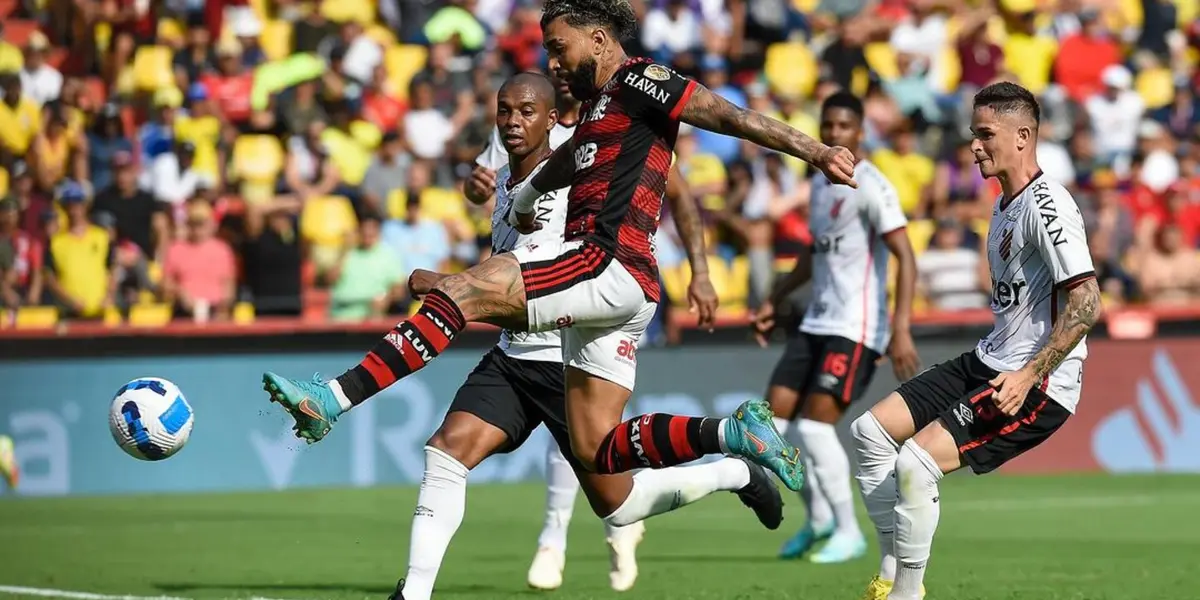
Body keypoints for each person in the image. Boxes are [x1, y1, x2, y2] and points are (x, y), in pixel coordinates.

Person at [262, 0, 855, 526]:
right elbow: (572, 158)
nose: (552, 62)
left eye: (558, 47)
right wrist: (524, 196)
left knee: (464, 292)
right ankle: (731, 433)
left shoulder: (641, 80)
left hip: (606, 260)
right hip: (623, 289)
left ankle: (332, 399)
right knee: (598, 453)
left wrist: (817, 150)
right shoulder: (600, 108)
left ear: (597, 40)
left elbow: (728, 115)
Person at [392, 72, 782, 600]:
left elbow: (679, 197)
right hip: (514, 351)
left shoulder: (615, 135)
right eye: (551, 55)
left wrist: (702, 270)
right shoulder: (512, 135)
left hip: (570, 343)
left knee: (621, 505)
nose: (558, 67)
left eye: (563, 55)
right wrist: (474, 189)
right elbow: (485, 195)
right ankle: (416, 592)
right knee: (446, 450)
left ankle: (732, 473)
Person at [850, 82, 1101, 600]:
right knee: (870, 433)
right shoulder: (1004, 204)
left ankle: (906, 595)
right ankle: (893, 570)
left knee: (916, 463)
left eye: (986, 134)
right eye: (973, 134)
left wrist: (1028, 375)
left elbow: (1087, 302)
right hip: (991, 359)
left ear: (1023, 136)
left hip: (1037, 381)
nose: (974, 146)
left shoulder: (1048, 205)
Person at [751, 91, 920, 564]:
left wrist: (901, 328)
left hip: (856, 326)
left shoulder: (872, 185)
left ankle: (849, 532)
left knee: (815, 429)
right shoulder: (820, 181)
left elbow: (906, 256)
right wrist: (775, 298)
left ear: (860, 132)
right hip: (815, 323)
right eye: (828, 125)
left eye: (844, 126)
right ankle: (820, 519)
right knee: (768, 430)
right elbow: (815, 252)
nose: (834, 134)